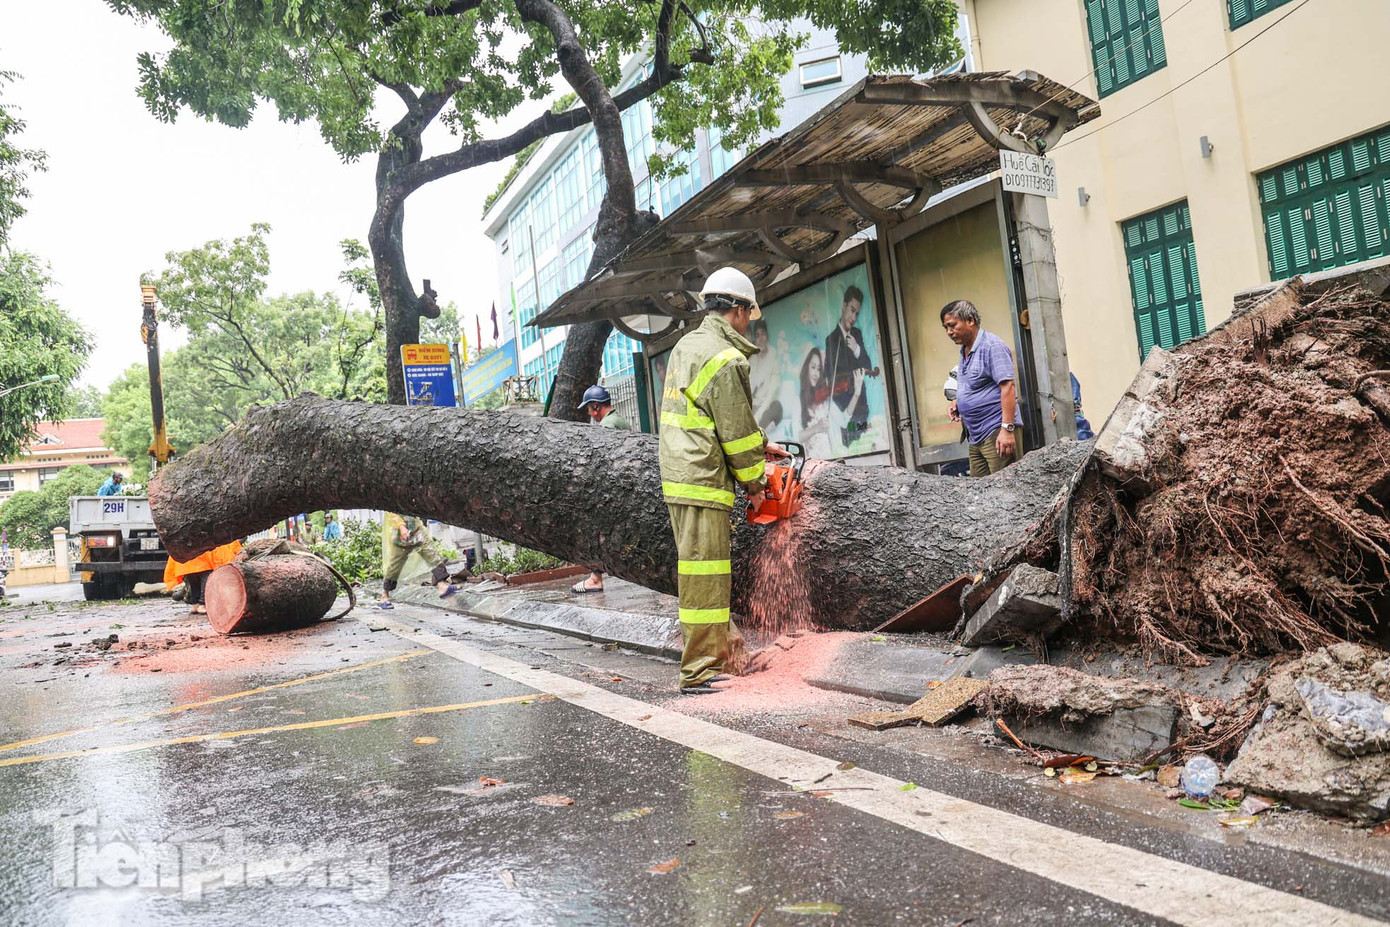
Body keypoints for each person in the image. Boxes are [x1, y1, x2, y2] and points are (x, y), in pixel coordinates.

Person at [658, 266, 788, 694]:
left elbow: (713, 416)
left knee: (706, 576)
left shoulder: (688, 345)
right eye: (749, 313)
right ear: (738, 309)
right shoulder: (725, 357)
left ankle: (728, 654)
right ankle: (699, 670)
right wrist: (756, 486)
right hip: (702, 478)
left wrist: (761, 444)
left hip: (684, 474)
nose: (749, 321)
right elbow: (734, 430)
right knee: (705, 578)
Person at [941, 299, 1024, 476]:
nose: (949, 332)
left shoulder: (992, 346)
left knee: (1004, 487)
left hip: (996, 431)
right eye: (946, 328)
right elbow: (972, 385)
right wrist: (957, 402)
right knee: (979, 489)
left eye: (952, 325)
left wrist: (1007, 430)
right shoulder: (965, 350)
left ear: (970, 320)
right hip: (976, 436)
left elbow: (1008, 387)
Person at [572, 385, 631, 594]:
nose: (589, 413)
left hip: (615, 491)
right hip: (625, 488)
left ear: (596, 406)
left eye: (589, 409)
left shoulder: (607, 425)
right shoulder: (620, 420)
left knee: (593, 532)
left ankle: (595, 578)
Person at [824, 285, 876, 448]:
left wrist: (856, 349)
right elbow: (829, 375)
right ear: (843, 306)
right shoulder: (831, 340)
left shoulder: (857, 334)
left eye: (857, 313)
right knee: (849, 449)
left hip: (861, 407)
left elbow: (868, 366)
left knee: (866, 446)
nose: (853, 317)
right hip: (844, 410)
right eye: (852, 310)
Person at [379, 512, 457, 609]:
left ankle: (442, 585)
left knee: (431, 553)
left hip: (415, 528)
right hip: (400, 533)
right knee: (395, 564)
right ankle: (385, 595)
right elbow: (391, 512)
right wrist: (401, 526)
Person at [163, 540, 242, 616]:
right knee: (206, 582)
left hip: (188, 558)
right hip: (202, 559)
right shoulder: (227, 541)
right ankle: (202, 604)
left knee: (194, 583)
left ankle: (195, 604)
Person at [747, 320, 786, 433]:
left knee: (777, 406)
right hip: (753, 407)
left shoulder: (774, 360)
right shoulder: (752, 360)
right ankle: (757, 431)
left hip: (767, 407)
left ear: (767, 336)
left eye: (763, 334)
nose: (761, 339)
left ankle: (758, 433)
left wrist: (757, 417)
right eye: (757, 335)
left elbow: (771, 395)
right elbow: (749, 391)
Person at [797, 347, 833, 459]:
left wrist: (856, 394)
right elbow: (797, 437)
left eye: (819, 369)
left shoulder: (823, 400)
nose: (816, 374)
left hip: (830, 459)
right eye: (813, 367)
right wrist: (816, 428)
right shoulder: (798, 401)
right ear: (806, 368)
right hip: (812, 463)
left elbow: (844, 419)